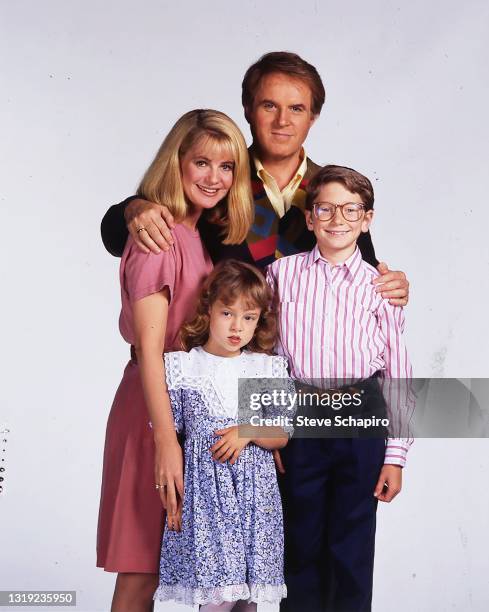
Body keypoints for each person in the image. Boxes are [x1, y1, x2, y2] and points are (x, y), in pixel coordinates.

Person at [96, 109, 254, 612]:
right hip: (152, 410)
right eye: (201, 162)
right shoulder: (159, 236)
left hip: (188, 410)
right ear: (176, 163)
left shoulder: (199, 235)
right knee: (142, 567)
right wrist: (166, 440)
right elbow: (150, 352)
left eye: (226, 167)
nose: (214, 178)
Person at [99, 52, 410, 306]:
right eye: (269, 105)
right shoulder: (217, 180)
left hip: (307, 367)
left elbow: (362, 270)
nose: (282, 121)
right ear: (248, 109)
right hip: (226, 365)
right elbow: (116, 238)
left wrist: (390, 284)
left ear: (313, 117)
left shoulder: (336, 192)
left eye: (297, 108)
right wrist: (133, 208)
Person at [266, 165, 414, 612]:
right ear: (309, 218)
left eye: (351, 210)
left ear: (367, 219)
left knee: (352, 550)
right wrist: (265, 427)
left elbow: (397, 370)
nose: (338, 219)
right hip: (301, 420)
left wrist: (396, 455)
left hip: (361, 422)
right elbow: (268, 357)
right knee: (300, 546)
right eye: (326, 209)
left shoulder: (380, 286)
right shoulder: (282, 276)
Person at [154, 260, 293, 611]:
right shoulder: (185, 366)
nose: (237, 327)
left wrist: (246, 431)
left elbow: (281, 434)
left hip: (255, 502)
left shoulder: (261, 367)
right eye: (227, 313)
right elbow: (170, 436)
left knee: (249, 602)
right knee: (217, 601)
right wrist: (174, 498)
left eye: (249, 317)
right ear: (208, 309)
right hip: (207, 504)